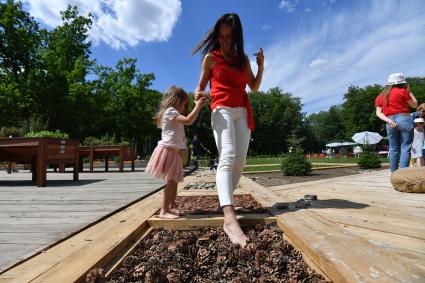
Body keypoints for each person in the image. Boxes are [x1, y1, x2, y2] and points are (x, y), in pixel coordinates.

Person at [192, 13, 264, 247]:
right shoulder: (211, 59)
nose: (224, 41)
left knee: (240, 161)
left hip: (242, 110)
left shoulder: (242, 58)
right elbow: (199, 88)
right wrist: (201, 95)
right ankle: (229, 217)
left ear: (236, 37)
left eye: (229, 37)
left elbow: (253, 87)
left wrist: (261, 66)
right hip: (221, 108)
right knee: (228, 156)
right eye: (221, 36)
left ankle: (225, 199)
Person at [145, 86, 208, 219]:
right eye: (184, 105)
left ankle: (171, 207)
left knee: (174, 181)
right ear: (176, 100)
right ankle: (164, 210)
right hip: (167, 151)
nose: (185, 109)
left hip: (172, 151)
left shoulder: (171, 112)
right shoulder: (170, 112)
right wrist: (198, 106)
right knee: (170, 181)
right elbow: (188, 121)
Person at [375, 73, 418, 172]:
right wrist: (410, 92)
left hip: (389, 122)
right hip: (404, 119)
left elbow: (378, 113)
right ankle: (403, 174)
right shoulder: (402, 91)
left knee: (394, 149)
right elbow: (415, 105)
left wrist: (389, 120)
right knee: (405, 147)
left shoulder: (380, 96)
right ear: (401, 83)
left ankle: (394, 174)